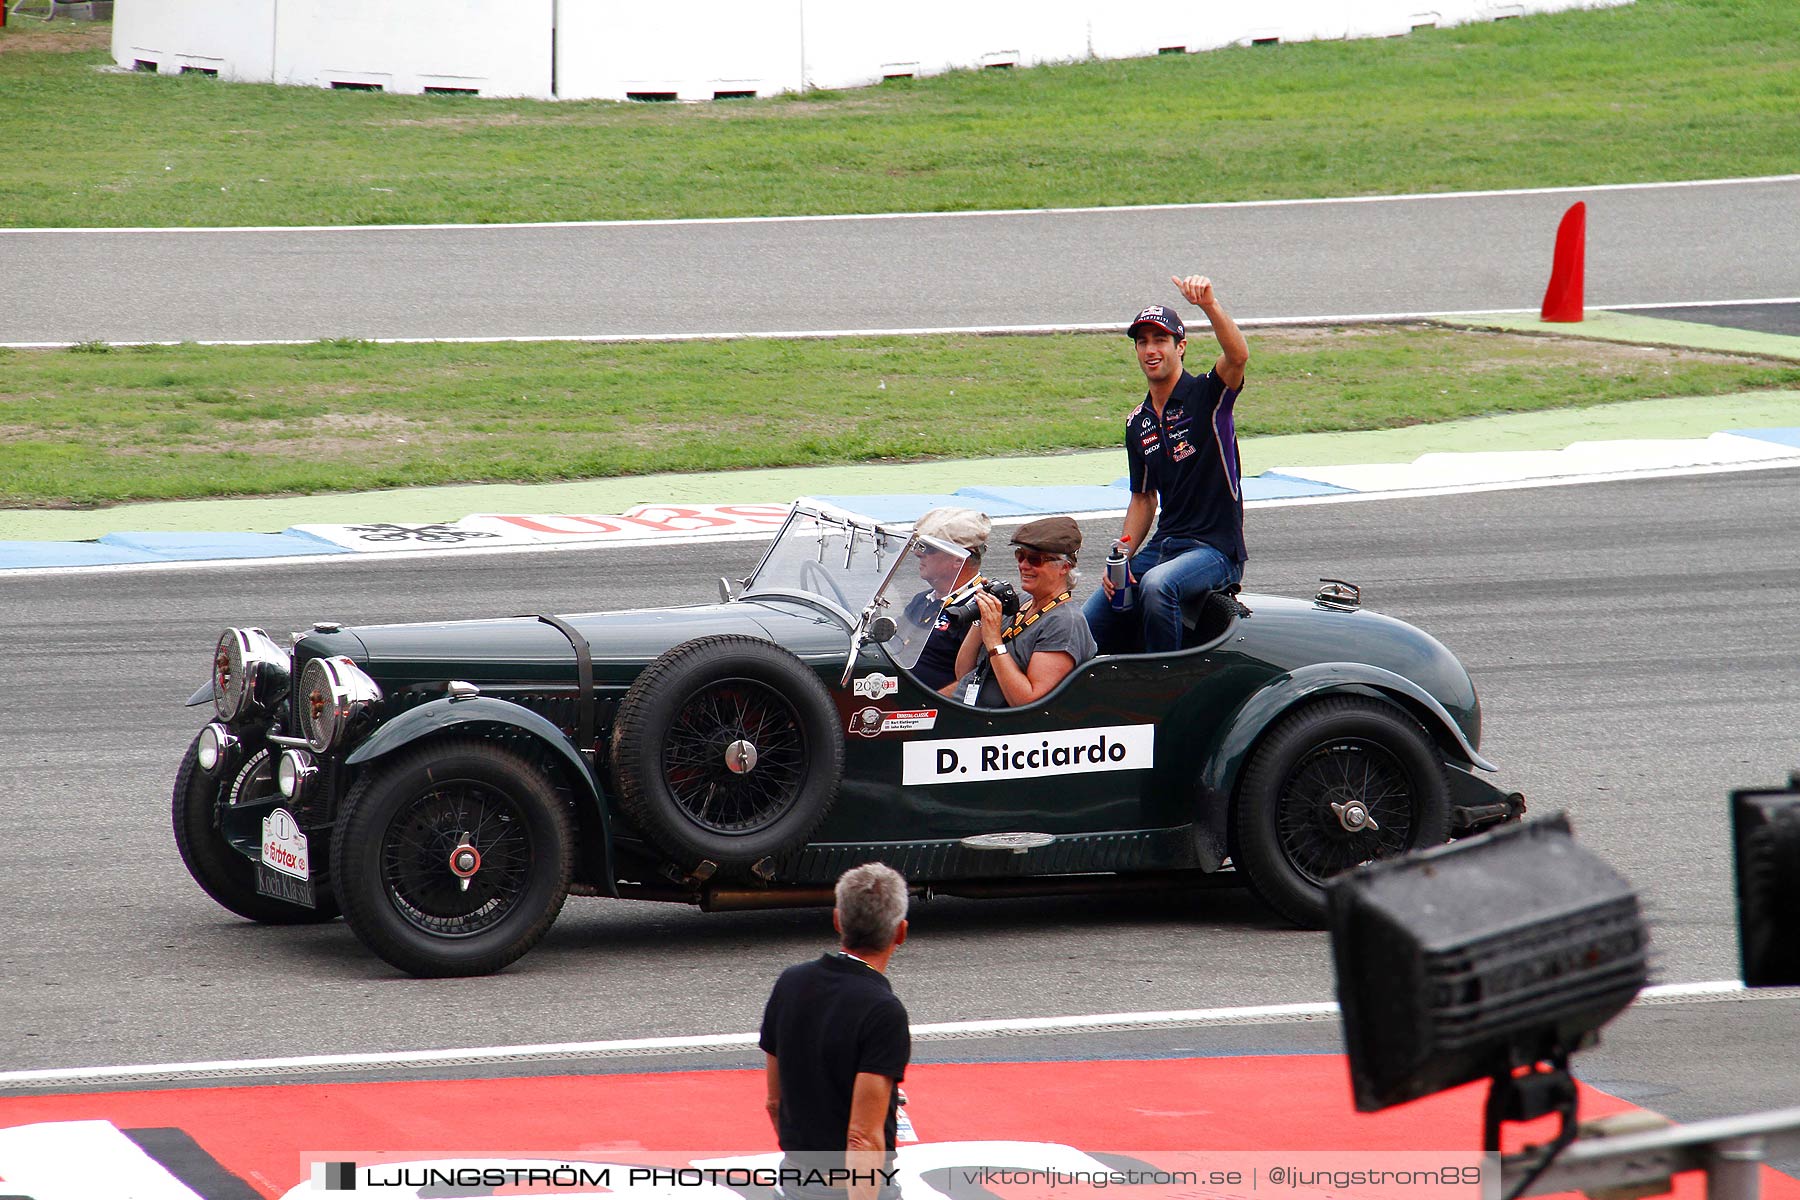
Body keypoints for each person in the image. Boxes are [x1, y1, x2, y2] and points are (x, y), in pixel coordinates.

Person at [1084, 274, 1250, 655]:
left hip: (1215, 550)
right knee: (1087, 622)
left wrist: (1209, 305)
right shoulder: (1136, 422)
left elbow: (1238, 356)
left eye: (1160, 340)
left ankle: (1163, 684)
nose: (1150, 349)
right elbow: (1143, 500)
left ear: (1181, 347)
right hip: (1164, 545)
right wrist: (1121, 560)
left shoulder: (1208, 395)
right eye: (1142, 342)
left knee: (1159, 586)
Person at [761, 863, 911, 1200]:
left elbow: (774, 1101)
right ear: (900, 932)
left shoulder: (791, 982)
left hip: (796, 1181)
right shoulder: (883, 1011)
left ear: (837, 920)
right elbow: (863, 1137)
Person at [947, 516, 1097, 708]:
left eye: (1035, 559)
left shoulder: (1065, 622)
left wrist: (994, 641)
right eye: (1020, 555)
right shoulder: (1019, 603)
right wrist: (981, 617)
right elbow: (963, 672)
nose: (1023, 565)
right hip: (972, 707)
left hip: (999, 725)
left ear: (1064, 567)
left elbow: (1027, 702)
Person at [899, 507, 990, 691]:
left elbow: (975, 681)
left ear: (958, 559)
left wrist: (916, 709)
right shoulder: (922, 600)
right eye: (918, 545)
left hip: (929, 709)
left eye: (929, 548)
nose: (918, 553)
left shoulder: (980, 609)